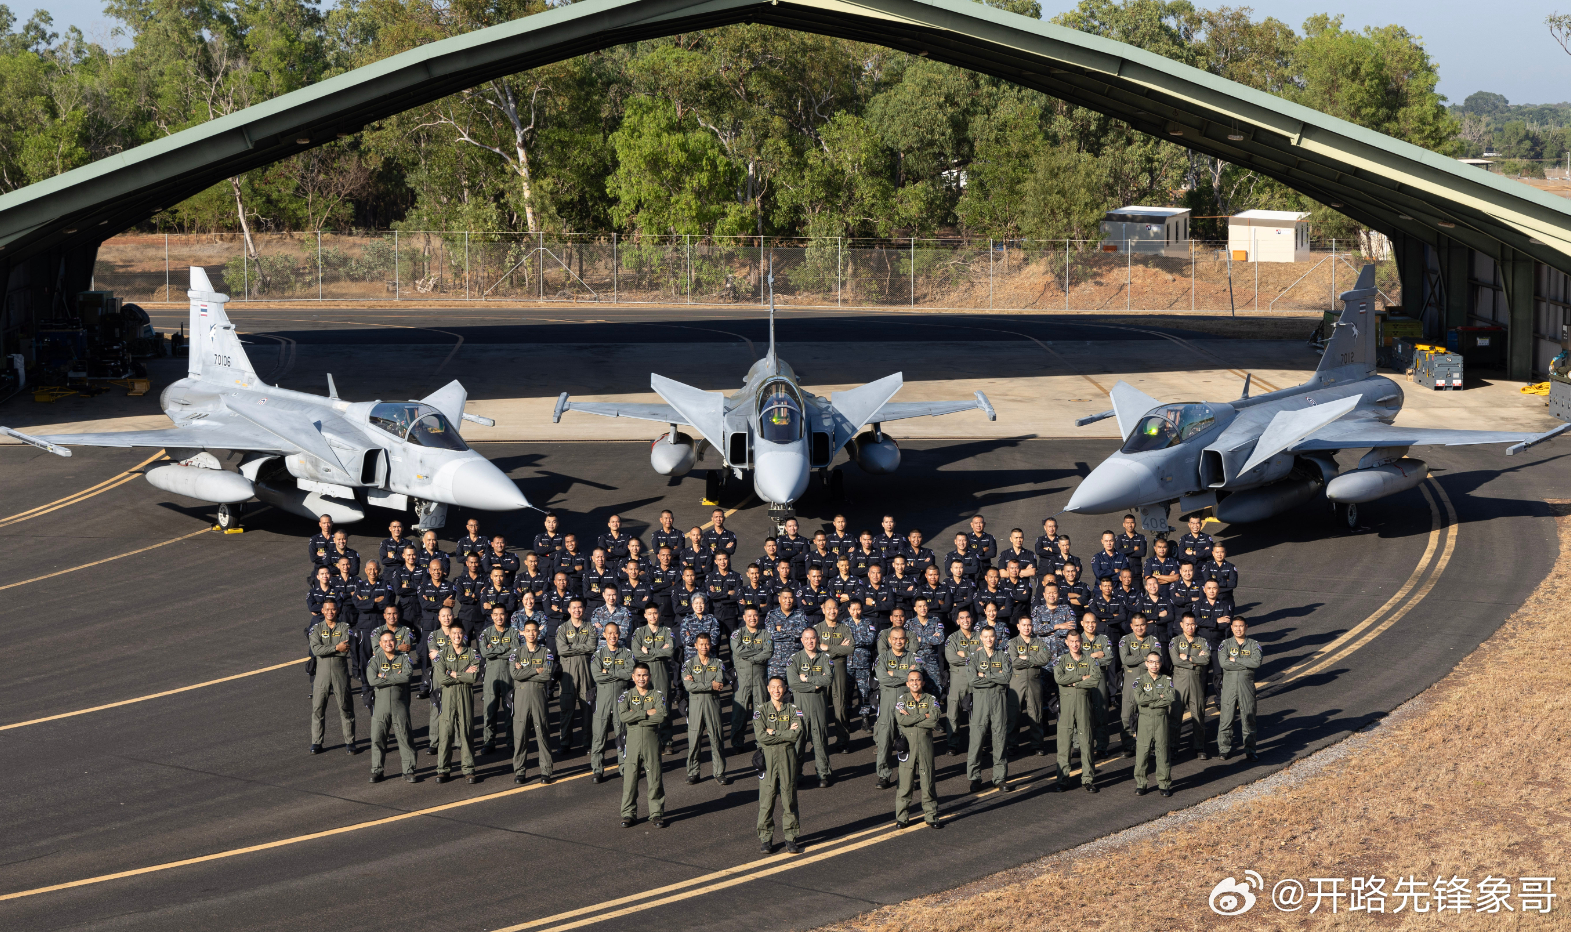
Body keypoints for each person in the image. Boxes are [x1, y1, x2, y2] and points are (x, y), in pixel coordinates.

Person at [755, 676, 804, 854]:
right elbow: (761, 736)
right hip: (768, 759)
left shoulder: (793, 709)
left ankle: (791, 838)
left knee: (789, 798)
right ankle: (765, 838)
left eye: (780, 687)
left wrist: (773, 732)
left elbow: (797, 733)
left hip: (787, 757)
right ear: (768, 689)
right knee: (766, 801)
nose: (776, 690)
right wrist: (785, 733)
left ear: (785, 689)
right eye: (773, 687)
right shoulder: (760, 710)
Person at [617, 663, 668, 828]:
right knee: (630, 779)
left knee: (654, 777)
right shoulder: (626, 696)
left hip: (651, 741)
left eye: (644, 675)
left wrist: (636, 715)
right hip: (632, 742)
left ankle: (656, 814)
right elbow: (623, 716)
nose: (641, 678)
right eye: (638, 675)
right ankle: (628, 814)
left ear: (650, 676)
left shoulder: (657, 695)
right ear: (633, 677)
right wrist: (646, 712)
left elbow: (661, 716)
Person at [1052, 631, 1101, 793]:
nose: (1074, 644)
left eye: (1077, 641)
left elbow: (1095, 680)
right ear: (1066, 642)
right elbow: (1059, 679)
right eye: (1071, 641)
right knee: (1064, 743)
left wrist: (1074, 683)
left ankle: (1088, 779)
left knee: (1086, 741)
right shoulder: (1061, 660)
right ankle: (1063, 779)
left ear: (1081, 642)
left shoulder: (1089, 660)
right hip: (1066, 706)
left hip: (1083, 704)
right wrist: (1081, 678)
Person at [893, 669, 943, 829]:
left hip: (925, 746)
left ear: (923, 682)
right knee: (905, 784)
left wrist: (912, 719)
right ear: (907, 684)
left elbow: (934, 720)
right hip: (907, 746)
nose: (915, 682)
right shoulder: (902, 699)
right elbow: (900, 719)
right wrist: (924, 716)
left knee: (928, 782)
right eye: (912, 680)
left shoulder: (931, 699)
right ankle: (902, 818)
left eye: (918, 680)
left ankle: (931, 815)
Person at [965, 625, 1012, 792]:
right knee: (977, 739)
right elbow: (972, 680)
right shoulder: (974, 657)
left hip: (999, 699)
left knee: (1000, 737)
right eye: (985, 636)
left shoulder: (1003, 656)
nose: (989, 639)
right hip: (980, 700)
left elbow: (1006, 677)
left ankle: (999, 778)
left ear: (996, 637)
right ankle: (975, 777)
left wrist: (985, 675)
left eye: (991, 636)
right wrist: (995, 675)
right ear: (981, 638)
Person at [367, 629, 417, 783]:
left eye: (391, 640)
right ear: (380, 644)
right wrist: (396, 677)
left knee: (405, 737)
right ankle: (377, 771)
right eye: (385, 641)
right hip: (381, 707)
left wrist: (384, 676)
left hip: (399, 705)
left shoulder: (405, 658)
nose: (388, 643)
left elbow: (407, 676)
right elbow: (372, 680)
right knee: (377, 738)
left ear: (395, 642)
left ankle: (408, 771)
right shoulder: (374, 660)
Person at [509, 618, 555, 784]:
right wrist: (535, 670)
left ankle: (546, 771)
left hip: (538, 697)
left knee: (542, 733)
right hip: (521, 698)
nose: (531, 633)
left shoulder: (546, 652)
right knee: (520, 735)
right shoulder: (516, 653)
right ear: (523, 632)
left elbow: (547, 675)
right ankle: (520, 771)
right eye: (528, 630)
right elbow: (514, 674)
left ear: (539, 632)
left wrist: (525, 671)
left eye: (534, 630)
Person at [433, 628, 482, 783]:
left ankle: (468, 769)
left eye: (460, 633)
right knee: (446, 732)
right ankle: (443, 770)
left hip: (465, 695)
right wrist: (463, 674)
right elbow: (441, 678)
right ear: (450, 636)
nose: (457, 636)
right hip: (448, 695)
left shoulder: (473, 653)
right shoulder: (441, 654)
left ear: (464, 635)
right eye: (454, 633)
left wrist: (452, 672)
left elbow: (473, 677)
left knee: (466, 731)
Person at [788, 627, 834, 788]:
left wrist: (806, 678)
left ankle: (823, 773)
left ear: (817, 639)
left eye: (813, 638)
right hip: (800, 708)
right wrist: (814, 685)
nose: (810, 641)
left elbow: (828, 679)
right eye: (806, 638)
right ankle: (795, 774)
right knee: (798, 742)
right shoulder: (795, 659)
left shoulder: (825, 658)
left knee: (820, 740)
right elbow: (793, 683)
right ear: (802, 640)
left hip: (818, 706)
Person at [309, 601, 357, 754]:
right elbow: (316, 649)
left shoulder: (344, 627)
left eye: (333, 609)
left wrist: (331, 649)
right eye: (327, 609)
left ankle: (350, 742)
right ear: (322, 611)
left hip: (340, 673)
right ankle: (316, 742)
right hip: (321, 674)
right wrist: (336, 647)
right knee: (318, 707)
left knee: (345, 707)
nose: (330, 612)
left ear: (337, 610)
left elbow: (345, 650)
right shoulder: (316, 628)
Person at [873, 628, 919, 790]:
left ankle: (909, 776)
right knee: (884, 742)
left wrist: (894, 673)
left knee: (908, 742)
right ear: (890, 640)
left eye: (901, 638)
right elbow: (883, 679)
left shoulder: (913, 657)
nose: (898, 641)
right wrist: (905, 674)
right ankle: (883, 775)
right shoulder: (882, 658)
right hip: (887, 707)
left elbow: (916, 678)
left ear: (906, 640)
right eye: (895, 639)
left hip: (907, 706)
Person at [682, 633, 730, 785]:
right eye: (701, 644)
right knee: (694, 740)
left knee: (716, 738)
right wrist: (710, 685)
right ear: (695, 645)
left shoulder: (718, 662)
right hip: (695, 705)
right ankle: (693, 772)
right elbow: (689, 686)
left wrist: (697, 683)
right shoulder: (688, 664)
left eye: (707, 644)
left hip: (712, 704)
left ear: (711, 645)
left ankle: (719, 772)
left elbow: (720, 683)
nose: (704, 647)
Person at [590, 622, 635, 783]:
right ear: (604, 634)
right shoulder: (598, 654)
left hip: (621, 699)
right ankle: (597, 770)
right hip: (602, 700)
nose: (612, 636)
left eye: (615, 633)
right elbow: (597, 676)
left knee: (622, 734)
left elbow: (630, 673)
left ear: (619, 633)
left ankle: (624, 767)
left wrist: (608, 671)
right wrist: (618, 673)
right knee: (599, 735)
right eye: (609, 633)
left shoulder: (627, 653)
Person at [632, 605, 677, 750]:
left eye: (655, 613)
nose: (652, 616)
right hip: (643, 673)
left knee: (663, 705)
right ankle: (648, 740)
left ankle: (667, 740)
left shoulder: (667, 631)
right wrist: (659, 651)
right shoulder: (639, 632)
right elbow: (637, 653)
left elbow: (669, 651)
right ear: (645, 615)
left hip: (661, 671)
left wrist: (649, 651)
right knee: (644, 705)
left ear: (660, 614)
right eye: (649, 614)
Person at [555, 598, 596, 756]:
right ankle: (565, 742)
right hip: (568, 674)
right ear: (569, 609)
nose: (577, 610)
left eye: (580, 607)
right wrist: (580, 647)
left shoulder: (590, 627)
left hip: (586, 672)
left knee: (587, 709)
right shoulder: (562, 628)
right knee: (566, 709)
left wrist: (572, 646)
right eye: (574, 608)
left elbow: (591, 647)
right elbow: (562, 650)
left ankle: (588, 742)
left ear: (584, 609)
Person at [477, 605, 521, 753]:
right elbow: (485, 653)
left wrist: (494, 649)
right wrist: (505, 648)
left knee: (509, 708)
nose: (499, 617)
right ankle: (488, 741)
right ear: (491, 616)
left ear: (506, 615)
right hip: (491, 674)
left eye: (501, 614)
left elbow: (515, 651)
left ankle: (511, 740)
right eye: (495, 614)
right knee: (489, 709)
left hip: (509, 673)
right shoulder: (486, 632)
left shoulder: (514, 632)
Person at [1217, 617, 1262, 761]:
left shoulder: (1254, 644)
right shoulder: (1225, 644)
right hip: (1229, 686)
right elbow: (1224, 663)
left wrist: (1235, 660)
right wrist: (1245, 664)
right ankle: (1224, 749)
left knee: (1249, 718)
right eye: (1235, 626)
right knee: (1226, 719)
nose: (1238, 629)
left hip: (1247, 686)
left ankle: (1250, 750)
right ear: (1231, 627)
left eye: (1241, 626)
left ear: (1246, 627)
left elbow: (1256, 662)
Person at [1132, 650, 1176, 797]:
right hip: (1144, 720)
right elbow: (1139, 700)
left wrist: (1150, 700)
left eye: (1157, 662)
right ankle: (1141, 784)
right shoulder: (1139, 680)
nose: (1154, 665)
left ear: (1161, 663)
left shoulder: (1167, 680)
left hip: (1161, 719)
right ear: (1146, 663)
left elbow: (1170, 698)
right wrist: (1158, 696)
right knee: (1142, 753)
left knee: (1162, 751)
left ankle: (1164, 784)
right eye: (1151, 662)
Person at [1006, 616, 1052, 756]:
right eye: (1024, 625)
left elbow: (1045, 658)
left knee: (1036, 713)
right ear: (1018, 626)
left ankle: (1037, 744)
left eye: (1029, 625)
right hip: (1016, 682)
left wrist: (1025, 657)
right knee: (1013, 715)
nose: (1027, 628)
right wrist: (1033, 660)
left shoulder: (1039, 642)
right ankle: (1011, 744)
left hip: (1034, 682)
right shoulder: (1012, 643)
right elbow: (1013, 662)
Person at [1118, 614, 1162, 756]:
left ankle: (1149, 746)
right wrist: (1145, 658)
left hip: (1148, 683)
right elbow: (1124, 659)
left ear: (1147, 625)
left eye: (1142, 624)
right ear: (1131, 626)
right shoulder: (1125, 640)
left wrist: (1136, 659)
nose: (1139, 628)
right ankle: (1129, 745)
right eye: (1136, 625)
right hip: (1130, 683)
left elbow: (1155, 661)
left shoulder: (1153, 640)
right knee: (1127, 715)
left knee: (1148, 716)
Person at [1168, 612, 1211, 759]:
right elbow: (1175, 661)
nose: (1190, 627)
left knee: (1198, 714)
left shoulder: (1202, 641)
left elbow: (1206, 659)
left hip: (1196, 681)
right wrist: (1195, 661)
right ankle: (1173, 746)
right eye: (1187, 624)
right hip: (1179, 681)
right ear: (1181, 625)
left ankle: (1199, 747)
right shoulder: (1175, 641)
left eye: (1193, 624)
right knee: (1175, 715)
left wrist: (1187, 657)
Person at [730, 607, 774, 750]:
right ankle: (737, 743)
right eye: (749, 616)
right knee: (739, 713)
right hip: (742, 680)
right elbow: (738, 650)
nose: (753, 618)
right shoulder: (737, 634)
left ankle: (761, 743)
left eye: (755, 615)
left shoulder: (766, 634)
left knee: (760, 712)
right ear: (744, 617)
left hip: (759, 679)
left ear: (759, 617)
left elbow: (768, 652)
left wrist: (751, 657)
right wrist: (758, 654)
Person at [814, 599, 855, 752]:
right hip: (821, 670)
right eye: (829, 608)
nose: (832, 611)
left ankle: (842, 741)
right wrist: (838, 649)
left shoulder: (844, 628)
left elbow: (850, 648)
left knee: (841, 706)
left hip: (839, 670)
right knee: (820, 708)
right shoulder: (817, 629)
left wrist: (828, 648)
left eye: (835, 608)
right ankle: (819, 743)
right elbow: (814, 647)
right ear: (823, 609)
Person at [944, 608, 982, 755]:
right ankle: (952, 744)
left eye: (968, 617)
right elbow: (951, 658)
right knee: (953, 713)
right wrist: (973, 654)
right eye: (962, 618)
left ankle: (977, 744)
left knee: (978, 714)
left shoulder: (980, 636)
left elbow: (986, 654)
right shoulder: (952, 638)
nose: (965, 620)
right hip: (958, 679)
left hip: (976, 678)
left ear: (971, 619)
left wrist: (964, 655)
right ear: (957, 621)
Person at [845, 600, 879, 728]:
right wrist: (860, 641)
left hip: (863, 663)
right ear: (848, 609)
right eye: (853, 609)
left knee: (864, 692)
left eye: (858, 609)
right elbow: (841, 640)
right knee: (847, 693)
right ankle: (847, 719)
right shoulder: (844, 624)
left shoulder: (868, 623)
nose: (856, 612)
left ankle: (865, 720)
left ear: (862, 609)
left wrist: (852, 641)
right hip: (848, 663)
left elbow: (870, 640)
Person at [765, 589, 808, 681]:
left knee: (796, 692)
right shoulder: (772, 615)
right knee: (776, 691)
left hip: (796, 661)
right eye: (785, 598)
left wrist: (782, 629)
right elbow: (772, 634)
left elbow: (803, 633)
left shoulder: (800, 614)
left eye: (790, 598)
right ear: (779, 599)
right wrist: (793, 632)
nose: (788, 601)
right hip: (776, 663)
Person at [1115, 514, 1148, 580]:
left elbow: (1142, 553)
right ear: (1124, 524)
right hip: (1122, 571)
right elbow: (1118, 551)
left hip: (1136, 571)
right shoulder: (1119, 538)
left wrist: (1125, 552)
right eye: (1127, 523)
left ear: (1135, 524)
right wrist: (1133, 549)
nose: (1130, 525)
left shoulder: (1141, 537)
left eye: (1132, 522)